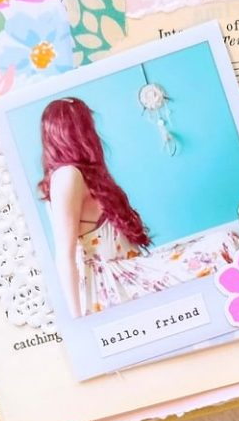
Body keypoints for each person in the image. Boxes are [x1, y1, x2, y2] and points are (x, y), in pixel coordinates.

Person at [38, 96, 182, 317]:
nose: (93, 132)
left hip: (126, 269)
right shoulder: (67, 176)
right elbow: (64, 255)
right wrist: (77, 320)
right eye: (87, 124)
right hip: (111, 282)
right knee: (220, 247)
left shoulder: (77, 174)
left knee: (221, 243)